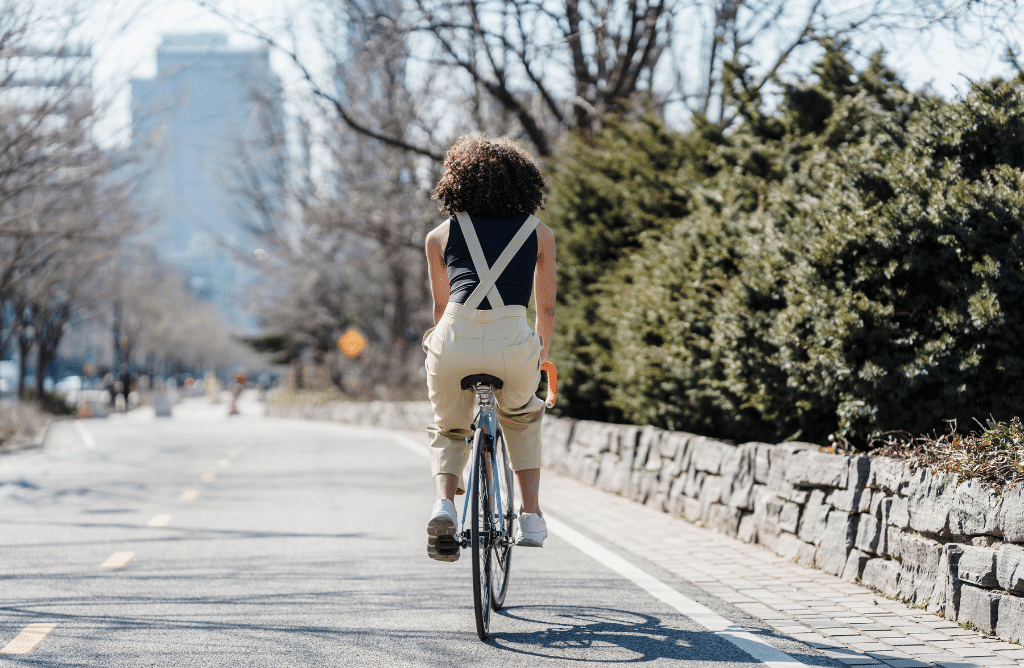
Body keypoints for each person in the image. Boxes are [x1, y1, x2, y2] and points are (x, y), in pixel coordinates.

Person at [422, 135, 557, 562]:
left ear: (457, 181)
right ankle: (530, 517)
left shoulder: (439, 235)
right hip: (512, 342)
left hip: (454, 337)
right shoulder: (539, 233)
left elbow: (441, 307)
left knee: (449, 428)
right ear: (524, 182)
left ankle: (444, 504)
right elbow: (546, 308)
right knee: (522, 417)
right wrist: (539, 358)